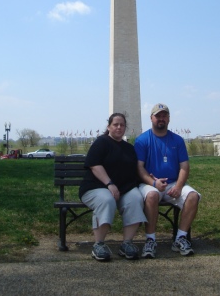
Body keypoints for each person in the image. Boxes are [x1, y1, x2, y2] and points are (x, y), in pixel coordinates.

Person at [134, 103, 201, 258]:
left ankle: (180, 238)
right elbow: (139, 168)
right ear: (151, 118)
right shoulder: (142, 140)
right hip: (149, 184)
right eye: (158, 116)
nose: (161, 119)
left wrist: (178, 186)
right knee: (151, 196)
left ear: (169, 118)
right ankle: (150, 240)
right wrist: (153, 183)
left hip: (172, 185)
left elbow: (184, 166)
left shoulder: (177, 140)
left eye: (164, 115)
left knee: (193, 196)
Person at [79, 113, 147, 261]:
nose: (119, 127)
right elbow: (94, 165)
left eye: (122, 125)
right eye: (115, 124)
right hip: (95, 188)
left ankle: (127, 243)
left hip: (123, 189)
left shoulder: (129, 148)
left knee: (136, 198)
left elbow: (136, 170)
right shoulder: (101, 142)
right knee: (107, 200)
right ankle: (98, 244)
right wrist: (109, 184)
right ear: (109, 126)